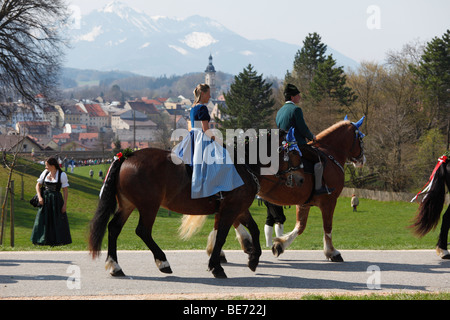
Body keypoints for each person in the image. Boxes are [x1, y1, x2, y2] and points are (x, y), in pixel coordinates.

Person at [173, 84, 244, 199]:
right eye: (208, 94)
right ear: (202, 94)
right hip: (201, 137)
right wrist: (219, 141)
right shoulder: (202, 108)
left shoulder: (193, 107)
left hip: (192, 136)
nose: (210, 96)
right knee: (222, 160)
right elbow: (206, 130)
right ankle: (217, 191)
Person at [276, 83, 333, 195]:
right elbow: (302, 128)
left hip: (284, 146)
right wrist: (312, 136)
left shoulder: (280, 111)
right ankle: (318, 188)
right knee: (320, 159)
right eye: (298, 95)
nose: (299, 97)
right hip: (298, 145)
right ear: (292, 97)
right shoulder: (296, 110)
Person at [31, 157, 72, 246]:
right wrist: (40, 197)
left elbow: (65, 190)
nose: (45, 167)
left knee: (56, 220)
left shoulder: (62, 175)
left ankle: (57, 240)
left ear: (52, 166)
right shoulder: (45, 173)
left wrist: (65, 204)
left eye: (47, 166)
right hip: (45, 199)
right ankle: (41, 240)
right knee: (43, 219)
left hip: (56, 200)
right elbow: (38, 185)